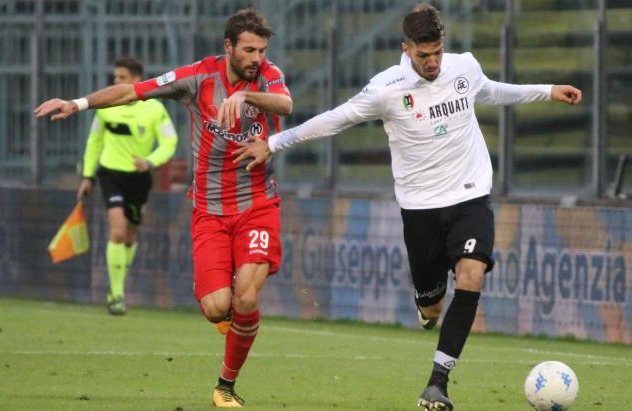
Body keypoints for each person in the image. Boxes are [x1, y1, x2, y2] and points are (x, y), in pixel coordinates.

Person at [233, 4, 582, 411]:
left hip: (470, 196)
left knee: (471, 276)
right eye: (423, 55)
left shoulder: (464, 67)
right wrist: (273, 143)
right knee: (432, 306)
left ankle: (438, 383)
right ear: (406, 49)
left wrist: (547, 90)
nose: (433, 62)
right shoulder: (386, 88)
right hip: (421, 210)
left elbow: (490, 90)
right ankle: (426, 308)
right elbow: (335, 119)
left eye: (437, 52)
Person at [35, 8, 292, 408]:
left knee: (246, 299)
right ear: (228, 46)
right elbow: (132, 92)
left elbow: (285, 105)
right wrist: (79, 103)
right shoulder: (197, 77)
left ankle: (225, 385)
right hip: (209, 209)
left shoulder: (268, 75)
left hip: (258, 203)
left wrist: (245, 95)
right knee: (217, 308)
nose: (256, 58)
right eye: (248, 50)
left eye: (261, 50)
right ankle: (215, 295)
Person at [77, 57, 179, 316]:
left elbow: (169, 142)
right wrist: (88, 176)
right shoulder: (106, 108)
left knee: (131, 236)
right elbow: (94, 143)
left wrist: (150, 161)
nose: (116, 82)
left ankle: (117, 285)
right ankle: (117, 293)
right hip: (110, 174)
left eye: (121, 78)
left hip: (139, 178)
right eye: (115, 78)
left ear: (136, 80)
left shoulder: (155, 109)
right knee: (118, 231)